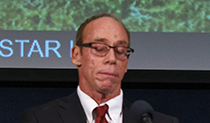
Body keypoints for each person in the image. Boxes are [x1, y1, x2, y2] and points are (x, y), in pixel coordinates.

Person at [20, 13, 179, 123]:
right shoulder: (41, 119)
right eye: (99, 48)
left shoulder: (159, 122)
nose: (111, 59)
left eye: (120, 51)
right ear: (76, 54)